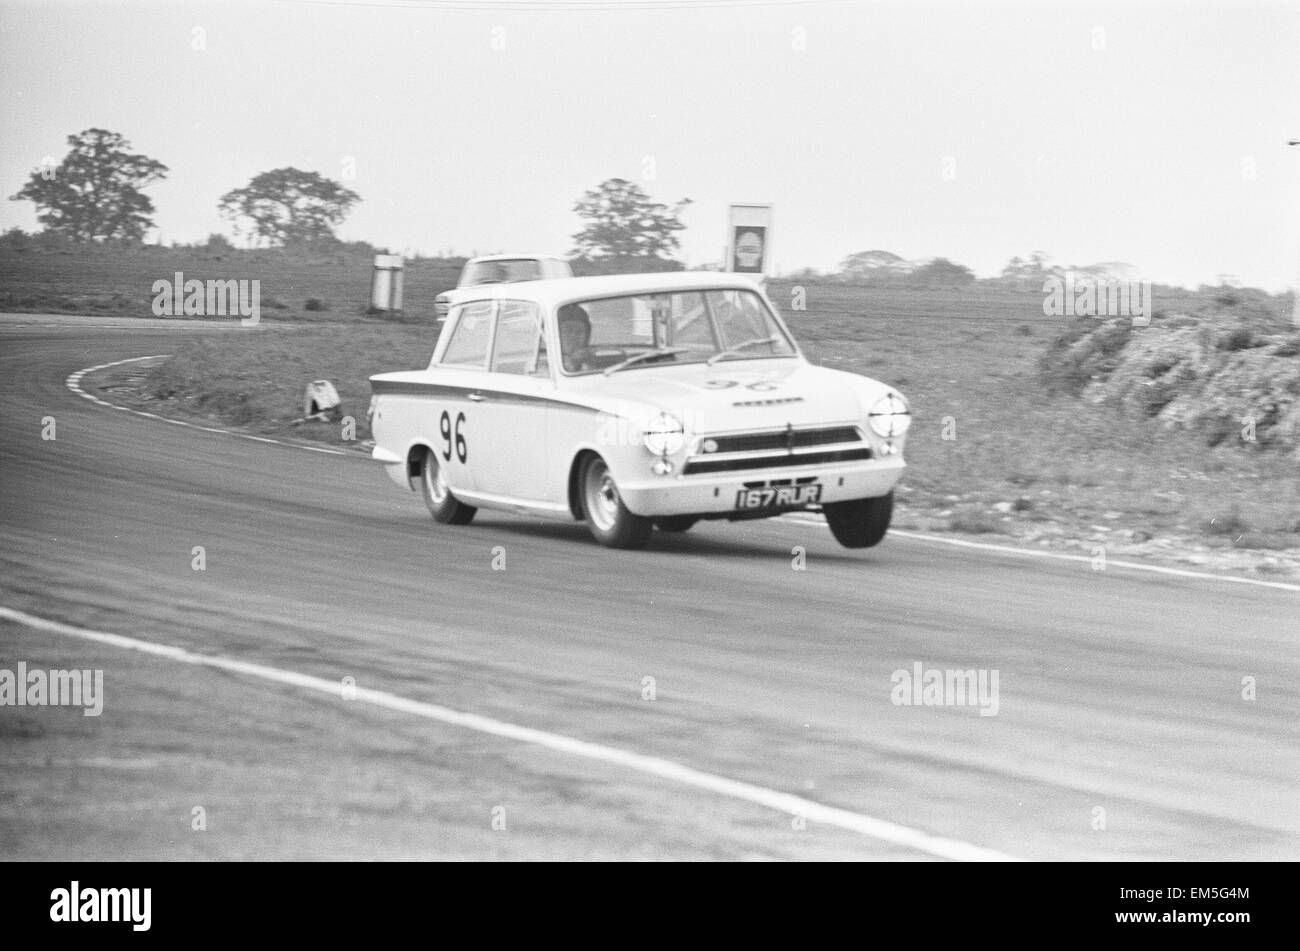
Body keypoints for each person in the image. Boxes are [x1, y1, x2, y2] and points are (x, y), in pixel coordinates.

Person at [557, 303, 594, 372]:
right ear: (558, 334)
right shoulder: (546, 367)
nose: (574, 336)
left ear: (587, 336)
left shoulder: (595, 366)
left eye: (580, 331)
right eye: (569, 330)